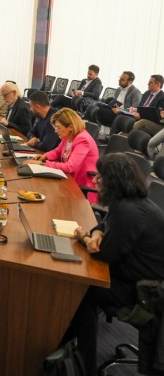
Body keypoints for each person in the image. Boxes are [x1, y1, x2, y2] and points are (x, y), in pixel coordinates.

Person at [67, 153, 164, 372]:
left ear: (113, 180)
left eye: (100, 176)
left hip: (147, 292)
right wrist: (97, 233)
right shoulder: (130, 202)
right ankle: (68, 346)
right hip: (140, 276)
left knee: (85, 291)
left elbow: (103, 255)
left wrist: (84, 237)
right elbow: (104, 224)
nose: (95, 180)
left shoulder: (129, 211)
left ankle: (84, 365)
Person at [25, 108, 99, 200]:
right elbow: (58, 151)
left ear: (70, 127)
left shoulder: (83, 140)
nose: (55, 131)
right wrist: (45, 156)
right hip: (68, 178)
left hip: (80, 188)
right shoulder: (69, 135)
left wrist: (43, 164)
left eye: (58, 128)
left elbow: (70, 167)